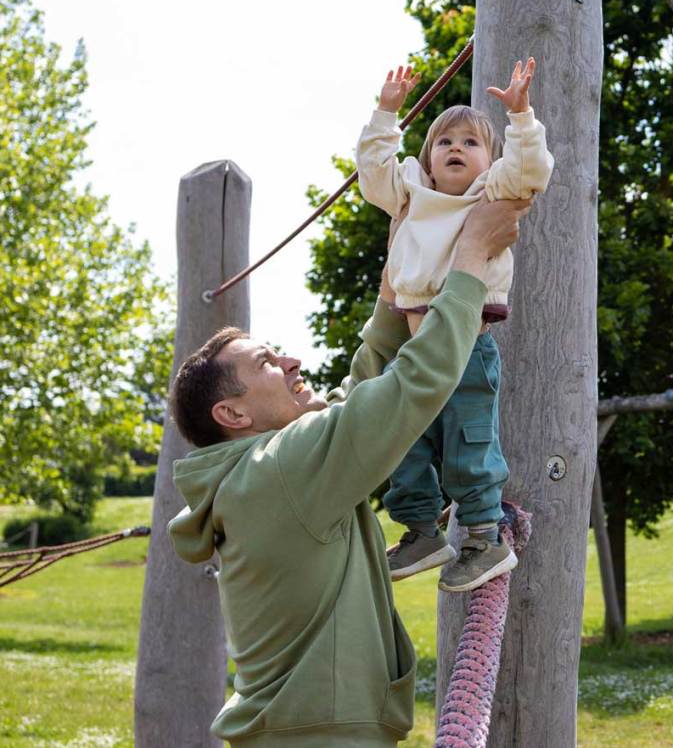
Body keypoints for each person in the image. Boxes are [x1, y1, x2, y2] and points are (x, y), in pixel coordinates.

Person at [167, 196, 530, 746]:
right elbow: (411, 386)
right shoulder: (278, 470)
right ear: (233, 414)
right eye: (267, 362)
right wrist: (471, 258)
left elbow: (355, 399)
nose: (291, 362)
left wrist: (396, 286)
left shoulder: (262, 474)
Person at [354, 57, 552, 591]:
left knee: (468, 445)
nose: (456, 149)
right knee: (404, 443)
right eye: (445, 142)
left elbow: (532, 169)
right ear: (427, 159)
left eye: (470, 142)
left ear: (489, 161)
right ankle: (421, 531)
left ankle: (485, 539)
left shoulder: (488, 192)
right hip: (412, 351)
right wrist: (386, 114)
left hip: (466, 345)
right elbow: (373, 174)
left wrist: (521, 116)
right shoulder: (412, 194)